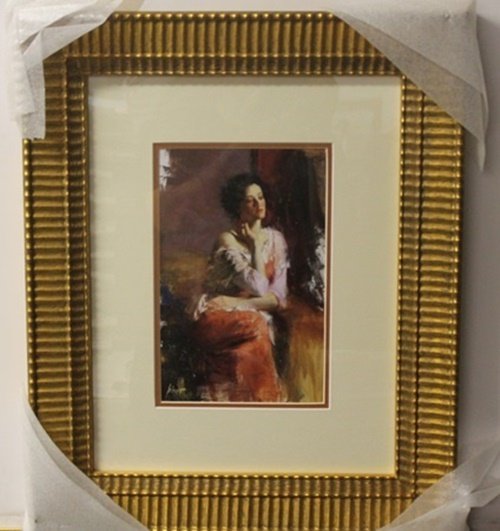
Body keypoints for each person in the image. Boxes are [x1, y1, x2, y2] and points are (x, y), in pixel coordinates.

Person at [192, 173, 289, 402]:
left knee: (252, 343)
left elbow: (278, 298)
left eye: (260, 197)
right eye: (249, 200)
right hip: (215, 316)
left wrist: (236, 302)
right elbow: (260, 288)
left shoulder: (276, 240)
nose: (258, 203)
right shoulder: (227, 240)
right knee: (256, 324)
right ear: (238, 207)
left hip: (247, 316)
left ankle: (257, 406)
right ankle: (267, 401)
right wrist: (254, 247)